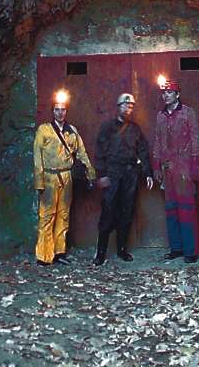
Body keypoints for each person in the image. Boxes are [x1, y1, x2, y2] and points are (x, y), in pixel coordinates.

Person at [33, 90, 95, 266]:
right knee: (47, 215)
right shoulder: (44, 130)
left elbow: (81, 152)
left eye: (63, 110)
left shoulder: (72, 131)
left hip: (66, 176)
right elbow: (37, 157)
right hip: (49, 176)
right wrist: (39, 181)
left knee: (64, 215)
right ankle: (44, 255)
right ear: (52, 111)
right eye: (57, 109)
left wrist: (90, 173)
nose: (60, 113)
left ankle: (59, 252)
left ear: (66, 111)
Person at [93, 93, 153, 265]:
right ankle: (101, 253)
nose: (128, 109)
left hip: (130, 174)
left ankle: (121, 250)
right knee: (108, 212)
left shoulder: (135, 129)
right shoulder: (107, 127)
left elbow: (143, 150)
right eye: (125, 105)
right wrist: (102, 175)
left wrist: (147, 173)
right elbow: (99, 152)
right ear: (118, 107)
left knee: (126, 212)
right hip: (112, 173)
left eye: (131, 106)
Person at [153, 79, 199, 263]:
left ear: (177, 94)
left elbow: (196, 140)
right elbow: (157, 142)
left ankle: (190, 251)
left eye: (170, 92)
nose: (166, 95)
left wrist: (194, 164)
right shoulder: (161, 116)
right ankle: (176, 248)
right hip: (167, 169)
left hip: (184, 168)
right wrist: (156, 166)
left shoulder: (188, 113)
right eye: (164, 93)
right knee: (171, 209)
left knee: (187, 209)